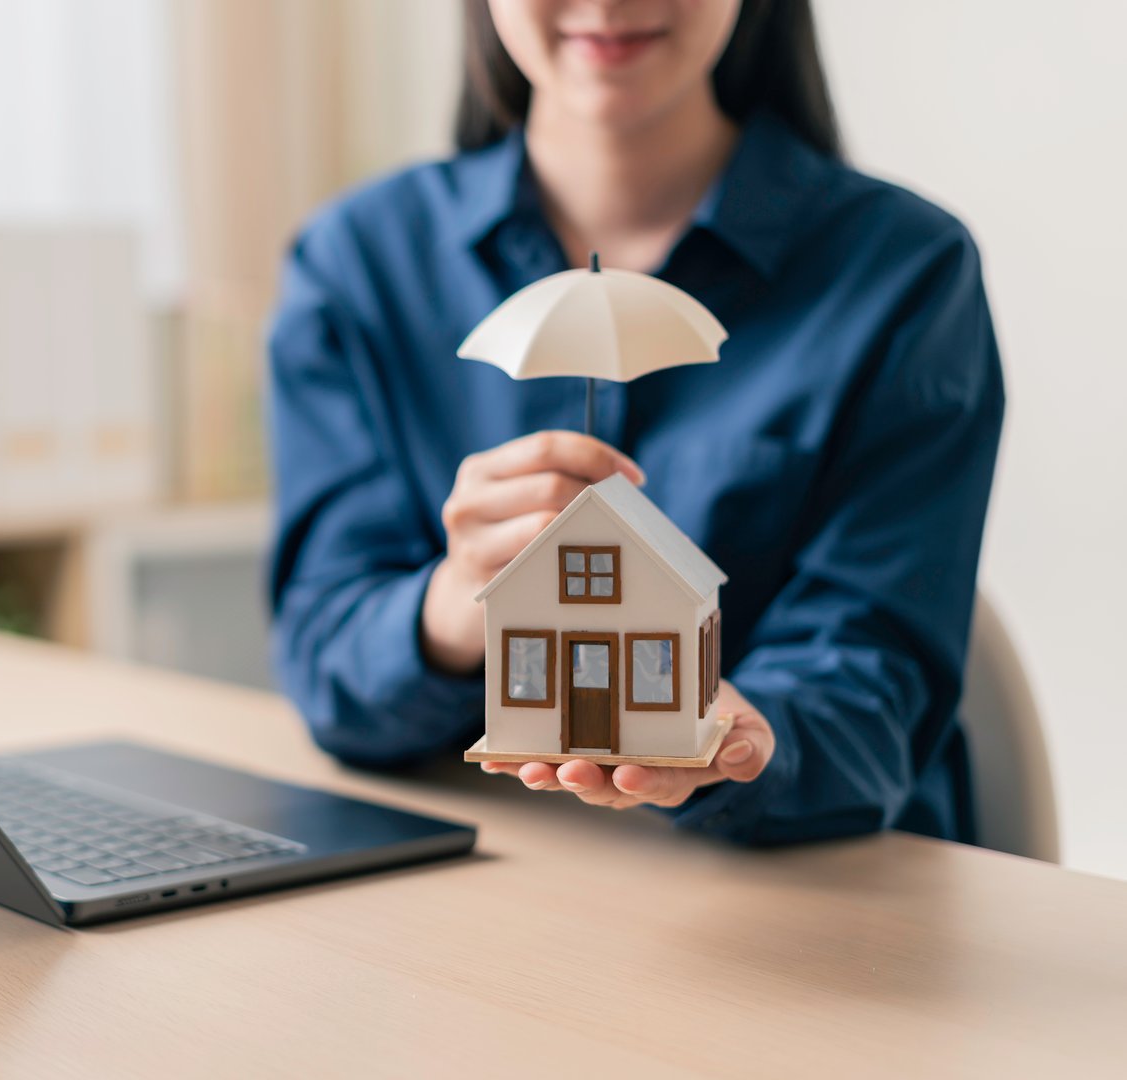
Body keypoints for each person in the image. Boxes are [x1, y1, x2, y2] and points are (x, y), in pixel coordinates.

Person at [265, 0, 1002, 845]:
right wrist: (460, 597)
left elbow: (877, 676)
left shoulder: (905, 274)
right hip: (491, 879)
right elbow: (326, 665)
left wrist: (746, 740)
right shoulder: (356, 263)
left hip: (823, 896)